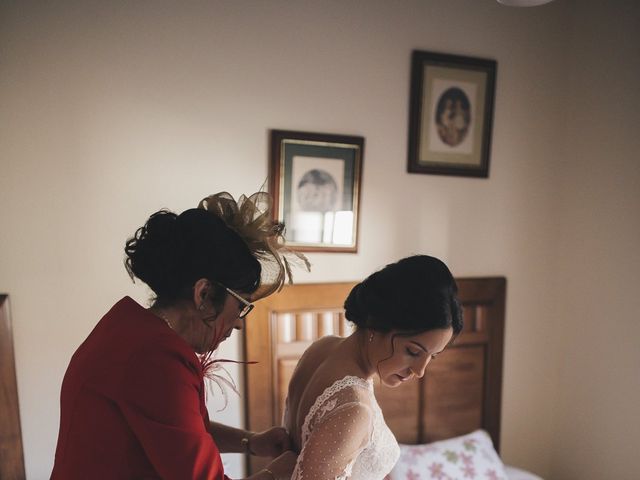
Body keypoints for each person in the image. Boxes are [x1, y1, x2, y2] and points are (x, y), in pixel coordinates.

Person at [51, 191, 309, 480]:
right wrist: (277, 474)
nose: (239, 324)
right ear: (204, 293)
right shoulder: (156, 359)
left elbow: (179, 428)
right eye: (241, 306)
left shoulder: (125, 326)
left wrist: (251, 441)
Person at [283, 255, 463, 480]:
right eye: (413, 352)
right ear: (377, 323)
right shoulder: (353, 407)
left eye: (432, 357)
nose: (420, 370)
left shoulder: (321, 349)